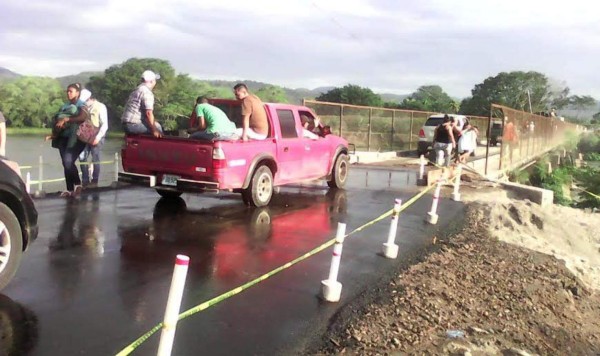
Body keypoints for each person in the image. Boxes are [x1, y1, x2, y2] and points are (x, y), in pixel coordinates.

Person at [49, 83, 90, 197]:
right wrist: (54, 133)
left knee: (68, 161)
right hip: (63, 137)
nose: (68, 93)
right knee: (66, 163)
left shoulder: (81, 104)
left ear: (77, 93)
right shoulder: (65, 105)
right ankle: (70, 189)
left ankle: (77, 184)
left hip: (76, 138)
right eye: (67, 91)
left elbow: (83, 117)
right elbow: (57, 119)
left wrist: (67, 119)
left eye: (71, 91)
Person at [78, 90, 109, 187]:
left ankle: (95, 181)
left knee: (95, 158)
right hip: (85, 137)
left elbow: (105, 125)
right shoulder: (82, 108)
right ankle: (85, 181)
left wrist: (98, 138)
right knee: (82, 157)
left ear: (90, 99)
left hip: (97, 136)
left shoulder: (101, 107)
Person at [121, 70, 163, 138]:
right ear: (152, 81)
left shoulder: (138, 89)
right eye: (155, 80)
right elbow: (148, 113)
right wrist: (154, 130)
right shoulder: (146, 92)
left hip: (126, 124)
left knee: (154, 124)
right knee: (158, 127)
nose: (155, 82)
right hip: (133, 125)